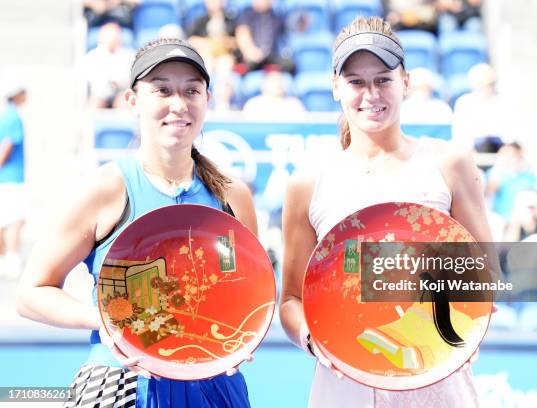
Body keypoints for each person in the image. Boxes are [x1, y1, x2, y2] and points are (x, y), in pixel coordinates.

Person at [17, 38, 256, 407]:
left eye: (191, 90)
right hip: (121, 380)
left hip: (213, 384)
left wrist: (242, 338)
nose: (178, 104)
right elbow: (31, 293)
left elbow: (244, 294)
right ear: (133, 100)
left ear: (207, 99)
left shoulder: (232, 195)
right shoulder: (104, 189)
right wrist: (107, 321)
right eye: (162, 90)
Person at [280, 16, 494, 407]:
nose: (370, 94)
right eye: (356, 82)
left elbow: (485, 272)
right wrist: (317, 339)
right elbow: (291, 299)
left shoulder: (449, 163)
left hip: (437, 383)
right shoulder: (308, 182)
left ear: (406, 82)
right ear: (335, 87)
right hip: (343, 388)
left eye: (383, 79)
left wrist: (467, 327)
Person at [0, 83, 28, 280]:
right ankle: (11, 259)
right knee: (14, 220)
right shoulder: (13, 117)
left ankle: (5, 259)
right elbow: (7, 145)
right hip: (11, 178)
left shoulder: (5, 116)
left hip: (7, 177)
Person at [83, 22, 135, 109]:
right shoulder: (92, 56)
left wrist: (117, 82)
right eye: (109, 36)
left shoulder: (129, 55)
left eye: (115, 35)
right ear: (101, 37)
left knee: (124, 103)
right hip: (100, 93)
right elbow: (90, 78)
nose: (112, 39)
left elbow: (131, 78)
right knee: (94, 105)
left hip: (121, 92)